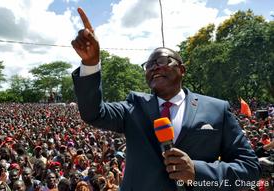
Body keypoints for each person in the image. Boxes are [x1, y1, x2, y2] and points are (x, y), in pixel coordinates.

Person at [71, 7, 261, 190]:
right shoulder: (134, 106)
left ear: (182, 69)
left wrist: (197, 171)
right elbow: (93, 113)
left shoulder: (217, 109)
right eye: (149, 65)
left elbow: (250, 169)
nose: (154, 67)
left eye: (162, 61)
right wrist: (91, 63)